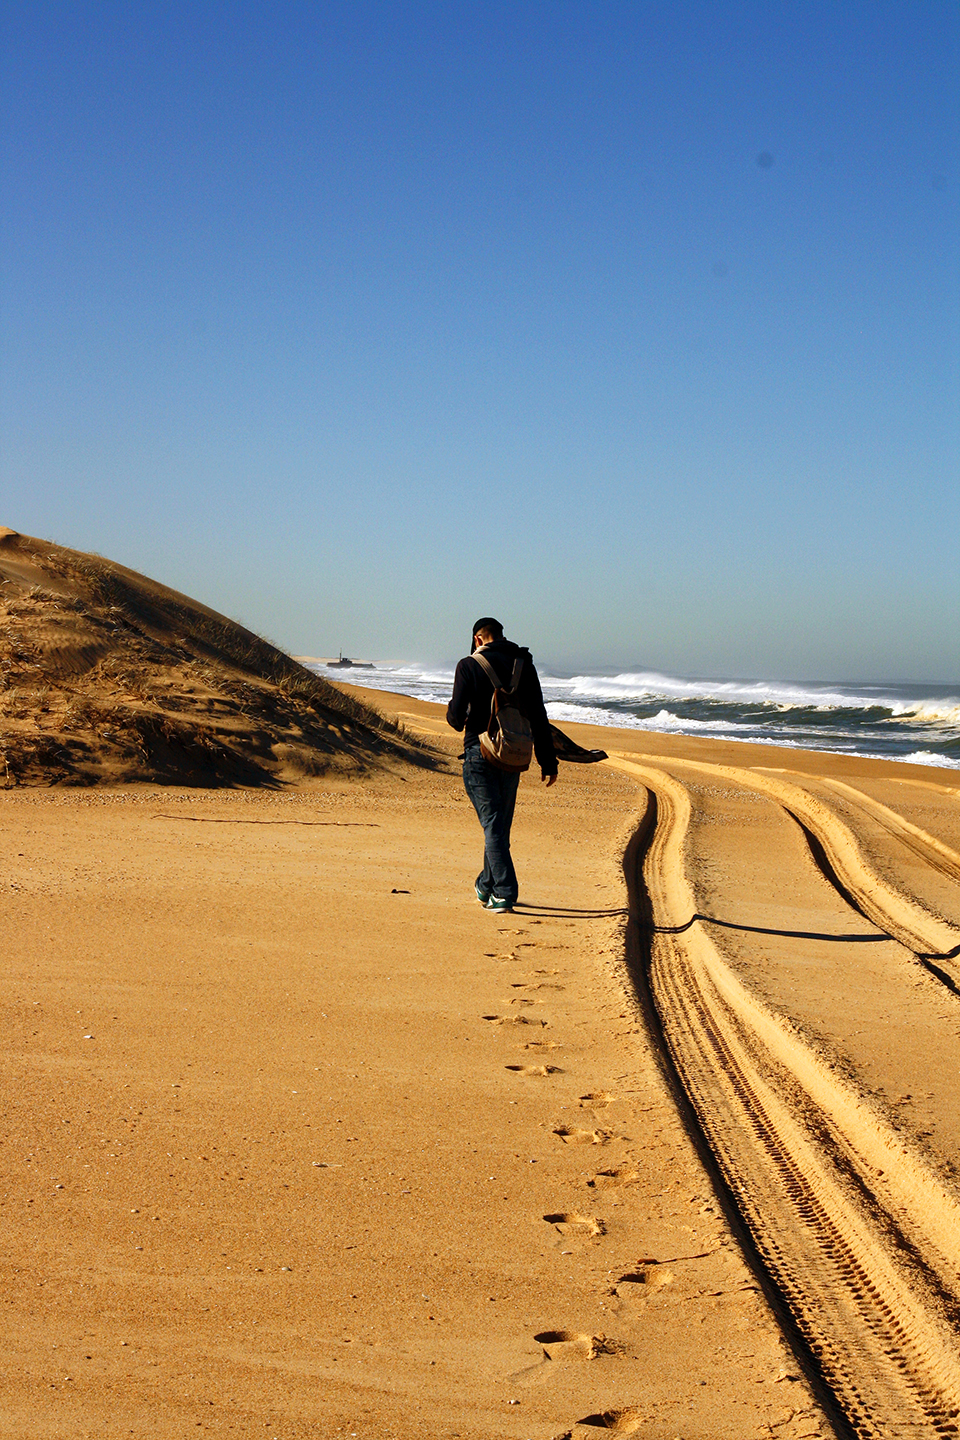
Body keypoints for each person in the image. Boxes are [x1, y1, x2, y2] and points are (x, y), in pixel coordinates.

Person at [446, 617, 558, 913]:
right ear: (501, 636)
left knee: (493, 825)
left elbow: (456, 720)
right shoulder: (523, 665)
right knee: (497, 826)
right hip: (513, 753)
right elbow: (539, 715)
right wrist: (548, 761)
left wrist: (461, 712)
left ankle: (505, 892)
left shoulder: (468, 665)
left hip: (479, 752)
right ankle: (486, 885)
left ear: (478, 639)